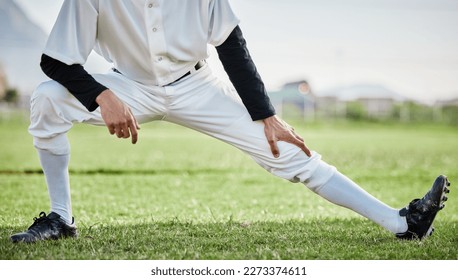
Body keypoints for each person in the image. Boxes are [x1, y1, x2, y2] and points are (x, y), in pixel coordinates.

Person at [11, 0, 450, 243]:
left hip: (198, 86)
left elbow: (232, 46)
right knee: (47, 99)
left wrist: (268, 115)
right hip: (129, 87)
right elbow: (55, 60)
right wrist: (102, 95)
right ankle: (60, 219)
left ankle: (403, 222)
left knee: (288, 152)